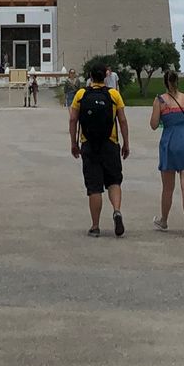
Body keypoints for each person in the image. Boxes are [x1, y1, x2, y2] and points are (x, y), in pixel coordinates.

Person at [69, 63, 129, 237]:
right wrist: (126, 143)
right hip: (110, 143)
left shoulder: (81, 94)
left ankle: (95, 226)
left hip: (89, 144)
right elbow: (123, 121)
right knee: (114, 181)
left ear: (90, 76)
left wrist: (74, 143)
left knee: (94, 187)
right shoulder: (113, 94)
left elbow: (73, 120)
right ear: (105, 76)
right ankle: (117, 211)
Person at [149, 67, 184, 238]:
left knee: (168, 187)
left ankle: (164, 220)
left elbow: (153, 124)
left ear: (165, 83)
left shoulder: (160, 100)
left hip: (168, 142)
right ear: (177, 81)